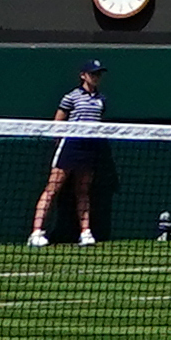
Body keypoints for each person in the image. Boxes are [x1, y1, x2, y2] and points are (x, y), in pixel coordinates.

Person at [33, 59, 116, 248]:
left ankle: (85, 233)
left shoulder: (101, 99)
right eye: (93, 74)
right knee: (52, 189)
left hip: (90, 148)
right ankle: (36, 232)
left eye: (98, 74)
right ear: (83, 76)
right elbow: (58, 122)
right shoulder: (71, 97)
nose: (96, 77)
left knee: (83, 191)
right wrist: (60, 142)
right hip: (70, 146)